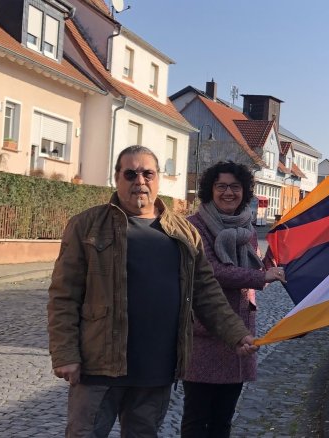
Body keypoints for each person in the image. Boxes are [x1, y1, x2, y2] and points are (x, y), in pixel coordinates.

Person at [47, 145, 258, 437]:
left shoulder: (184, 233)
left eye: (148, 173)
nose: (140, 181)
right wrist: (65, 353)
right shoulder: (87, 226)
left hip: (155, 368)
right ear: (117, 178)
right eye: (130, 173)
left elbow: (206, 293)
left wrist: (236, 334)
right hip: (99, 366)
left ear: (158, 179)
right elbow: (63, 296)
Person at [181, 161, 286, 437]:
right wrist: (262, 277)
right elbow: (212, 271)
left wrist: (268, 265)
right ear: (210, 190)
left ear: (244, 191)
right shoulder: (194, 227)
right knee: (196, 417)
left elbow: (249, 270)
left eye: (235, 187)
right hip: (205, 334)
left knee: (224, 419)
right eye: (221, 186)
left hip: (241, 336)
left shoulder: (247, 230)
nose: (229, 192)